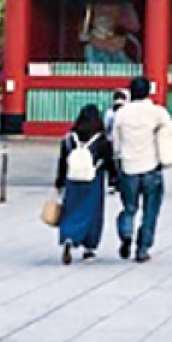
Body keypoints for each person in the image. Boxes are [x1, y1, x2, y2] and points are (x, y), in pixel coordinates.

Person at [112, 75, 172, 262]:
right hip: (151, 166)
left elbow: (115, 143)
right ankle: (142, 248)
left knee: (129, 207)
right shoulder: (157, 112)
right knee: (150, 210)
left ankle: (126, 234)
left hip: (128, 166)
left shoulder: (122, 113)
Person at [55, 103, 115, 265]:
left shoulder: (69, 138)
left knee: (71, 210)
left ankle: (68, 237)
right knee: (92, 213)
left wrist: (59, 181)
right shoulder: (101, 139)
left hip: (72, 179)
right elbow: (109, 161)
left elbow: (62, 161)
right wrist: (114, 179)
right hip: (93, 179)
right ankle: (89, 248)